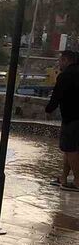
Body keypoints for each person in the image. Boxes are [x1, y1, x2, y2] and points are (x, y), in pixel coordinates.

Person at [46, 50, 79, 191]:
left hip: (72, 117)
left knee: (71, 149)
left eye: (60, 60)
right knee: (69, 149)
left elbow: (57, 95)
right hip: (74, 117)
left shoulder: (66, 75)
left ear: (66, 60)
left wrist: (49, 110)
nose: (59, 63)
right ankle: (64, 177)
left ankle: (77, 182)